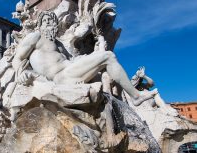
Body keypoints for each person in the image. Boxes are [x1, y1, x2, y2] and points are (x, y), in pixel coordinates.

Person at [12, 11, 158, 106]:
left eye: (52, 22)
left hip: (71, 71)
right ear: (40, 24)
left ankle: (129, 97)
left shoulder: (59, 44)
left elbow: (73, 60)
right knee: (108, 56)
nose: (50, 25)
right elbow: (17, 58)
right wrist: (21, 74)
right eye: (46, 22)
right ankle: (136, 96)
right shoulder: (35, 37)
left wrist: (96, 51)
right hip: (61, 77)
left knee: (105, 58)